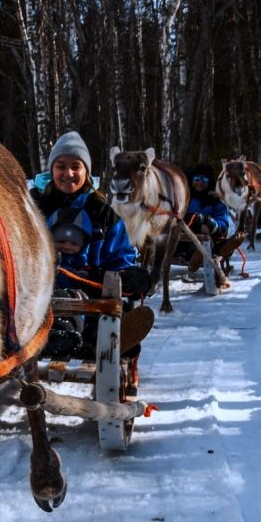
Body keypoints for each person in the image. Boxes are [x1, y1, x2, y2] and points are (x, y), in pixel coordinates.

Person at [34, 132, 153, 368]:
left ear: (86, 172)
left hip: (91, 293)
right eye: (61, 166)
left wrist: (130, 275)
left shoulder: (102, 212)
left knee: (102, 318)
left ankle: (109, 340)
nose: (68, 173)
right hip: (41, 292)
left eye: (75, 167)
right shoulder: (34, 206)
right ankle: (60, 336)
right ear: (51, 169)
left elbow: (120, 255)